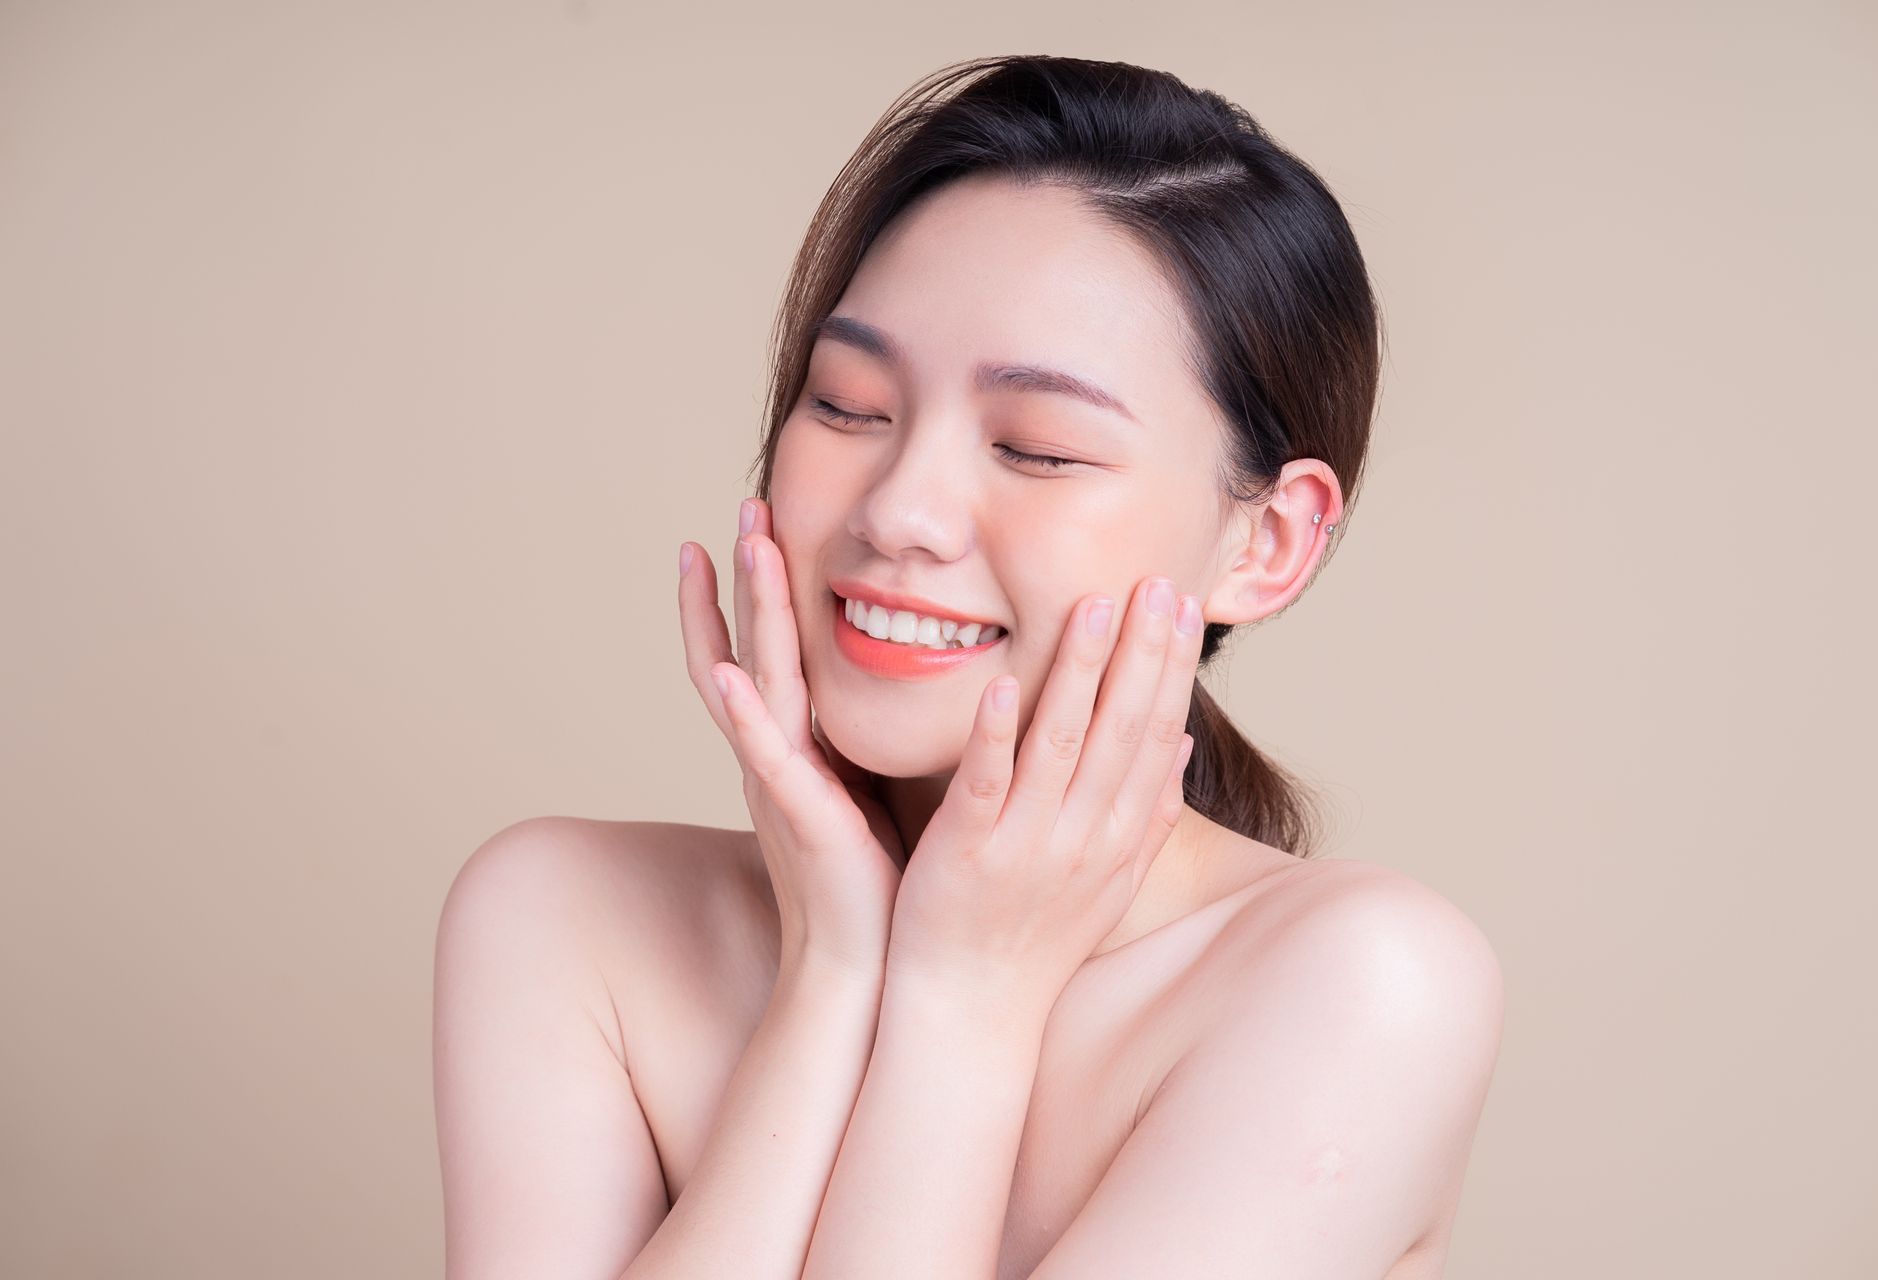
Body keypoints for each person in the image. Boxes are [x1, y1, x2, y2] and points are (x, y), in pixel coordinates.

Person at [434, 53, 1504, 1280]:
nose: (901, 510)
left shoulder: (1358, 989)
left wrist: (961, 1000)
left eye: (1037, 448)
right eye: (846, 405)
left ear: (1266, 541)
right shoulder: (565, 918)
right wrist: (831, 973)